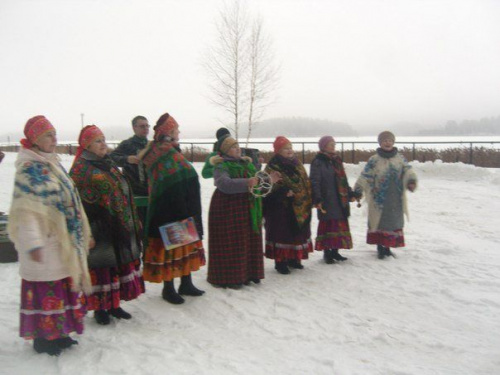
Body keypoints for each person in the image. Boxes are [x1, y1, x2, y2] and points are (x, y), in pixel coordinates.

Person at [8, 115, 92, 356]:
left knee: (63, 290)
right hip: (44, 245)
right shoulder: (29, 169)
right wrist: (33, 244)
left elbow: (72, 201)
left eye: (55, 134)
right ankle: (43, 339)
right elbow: (27, 213)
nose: (54, 139)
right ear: (34, 140)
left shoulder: (52, 163)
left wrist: (85, 232)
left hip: (62, 243)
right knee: (47, 292)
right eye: (48, 135)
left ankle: (61, 333)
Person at [70, 125, 144, 325]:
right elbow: (77, 204)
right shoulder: (80, 169)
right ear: (87, 145)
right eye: (98, 141)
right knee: (103, 268)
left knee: (117, 266)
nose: (103, 144)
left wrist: (133, 218)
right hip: (98, 228)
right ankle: (101, 309)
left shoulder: (107, 163)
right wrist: (87, 233)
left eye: (104, 140)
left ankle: (114, 305)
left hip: (119, 225)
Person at [138, 113, 205, 304]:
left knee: (184, 245)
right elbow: (167, 179)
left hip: (181, 204)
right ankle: (168, 288)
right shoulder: (162, 153)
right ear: (169, 132)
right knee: (171, 247)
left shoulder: (170, 150)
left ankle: (186, 283)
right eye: (176, 130)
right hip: (167, 207)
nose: (179, 132)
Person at [207, 136, 280, 288]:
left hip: (248, 208)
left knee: (249, 240)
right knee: (234, 241)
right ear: (226, 151)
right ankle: (232, 277)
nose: (238, 149)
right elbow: (224, 184)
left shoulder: (247, 164)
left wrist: (269, 181)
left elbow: (257, 184)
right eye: (233, 147)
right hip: (228, 208)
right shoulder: (221, 166)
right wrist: (246, 183)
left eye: (238, 146)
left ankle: (251, 273)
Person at [354, 131, 417, 259]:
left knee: (392, 222)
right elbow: (365, 175)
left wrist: (411, 181)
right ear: (380, 143)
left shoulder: (400, 158)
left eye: (390, 140)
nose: (387, 143)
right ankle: (381, 248)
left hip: (395, 199)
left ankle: (387, 247)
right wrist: (358, 189)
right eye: (384, 141)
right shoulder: (374, 159)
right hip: (378, 199)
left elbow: (408, 170)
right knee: (380, 222)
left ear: (393, 142)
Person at [263, 136, 313, 274]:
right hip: (281, 207)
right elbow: (266, 186)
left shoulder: (297, 164)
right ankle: (281, 262)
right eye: (285, 148)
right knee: (282, 233)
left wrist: (308, 196)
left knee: (296, 233)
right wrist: (283, 192)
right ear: (278, 151)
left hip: (299, 205)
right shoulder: (273, 165)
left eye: (290, 148)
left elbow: (305, 181)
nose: (289, 151)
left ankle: (294, 258)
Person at [310, 136, 360, 264]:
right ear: (323, 146)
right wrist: (318, 197)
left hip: (339, 199)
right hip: (327, 198)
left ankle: (336, 251)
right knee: (328, 224)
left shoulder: (337, 160)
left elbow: (343, 180)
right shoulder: (318, 161)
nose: (333, 146)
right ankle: (327, 253)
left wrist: (349, 193)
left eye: (334, 144)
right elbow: (315, 181)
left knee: (338, 224)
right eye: (330, 144)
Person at [109, 115, 150, 196]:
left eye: (147, 126)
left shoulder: (151, 145)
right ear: (134, 128)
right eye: (142, 126)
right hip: (133, 189)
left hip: (151, 188)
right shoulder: (127, 144)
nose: (146, 128)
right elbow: (111, 158)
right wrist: (127, 159)